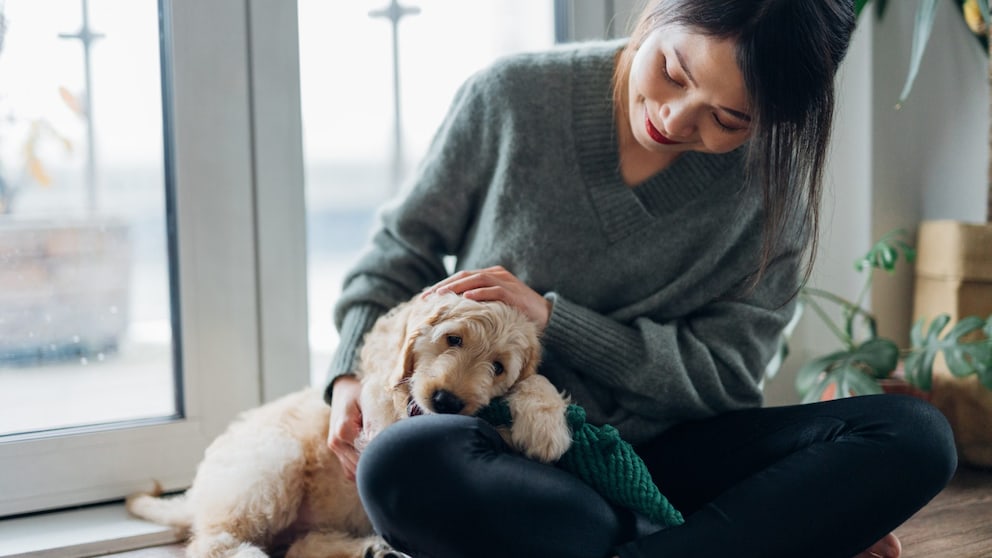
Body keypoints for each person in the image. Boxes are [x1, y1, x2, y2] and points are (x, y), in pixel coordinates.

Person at [324, 1, 957, 557]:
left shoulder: (774, 195)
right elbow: (398, 253)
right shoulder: (511, 98)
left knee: (916, 438)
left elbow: (723, 377)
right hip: (520, 456)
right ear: (657, 10)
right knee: (400, 464)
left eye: (728, 119)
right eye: (673, 73)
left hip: (670, 455)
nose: (677, 119)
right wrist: (350, 374)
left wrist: (554, 321)